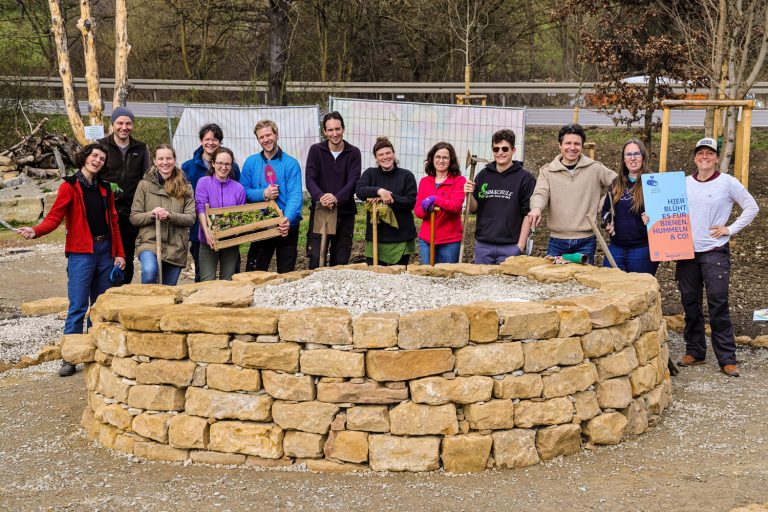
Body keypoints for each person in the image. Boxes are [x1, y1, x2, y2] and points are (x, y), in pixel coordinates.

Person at [17, 144, 125, 377]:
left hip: (105, 251)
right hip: (80, 253)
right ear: (85, 157)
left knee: (99, 306)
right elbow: (55, 217)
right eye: (94, 156)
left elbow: (114, 223)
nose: (97, 160)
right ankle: (70, 356)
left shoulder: (106, 188)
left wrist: (120, 254)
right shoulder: (69, 186)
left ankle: (96, 350)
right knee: (77, 306)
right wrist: (36, 231)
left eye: (102, 158)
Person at [676, 137, 758, 378]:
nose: (704, 157)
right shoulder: (683, 183)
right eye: (700, 152)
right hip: (686, 252)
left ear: (716, 158)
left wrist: (729, 229)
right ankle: (695, 352)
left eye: (709, 153)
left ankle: (727, 358)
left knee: (718, 302)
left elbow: (752, 207)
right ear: (694, 157)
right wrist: (651, 218)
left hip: (714, 251)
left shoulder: (727, 183)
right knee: (690, 302)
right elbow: (665, 210)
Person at [527, 123, 616, 264]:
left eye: (577, 144)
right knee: (554, 283)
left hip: (586, 241)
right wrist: (536, 208)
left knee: (582, 284)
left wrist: (604, 203)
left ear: (582, 146)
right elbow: (540, 193)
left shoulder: (595, 168)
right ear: (560, 145)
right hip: (557, 241)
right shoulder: (547, 171)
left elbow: (620, 185)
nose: (572, 148)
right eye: (568, 143)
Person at [463, 129, 535, 264]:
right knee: (481, 284)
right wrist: (468, 195)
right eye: (496, 149)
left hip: (511, 247)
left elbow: (527, 214)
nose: (500, 152)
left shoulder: (525, 178)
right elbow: (474, 208)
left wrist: (520, 246)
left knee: (507, 285)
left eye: (505, 149)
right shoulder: (483, 175)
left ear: (513, 150)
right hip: (483, 246)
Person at [97, 106, 151, 284]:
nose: (124, 127)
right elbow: (93, 174)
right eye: (120, 123)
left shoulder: (141, 148)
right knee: (105, 253)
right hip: (105, 209)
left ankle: (123, 289)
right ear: (112, 124)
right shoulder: (101, 145)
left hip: (131, 210)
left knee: (126, 253)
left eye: (128, 123)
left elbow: (146, 179)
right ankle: (103, 290)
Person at [240, 120, 303, 273]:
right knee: (255, 271)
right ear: (258, 139)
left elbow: (295, 194)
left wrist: (287, 218)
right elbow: (242, 191)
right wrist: (263, 193)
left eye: (269, 135)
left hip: (286, 225)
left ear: (276, 135)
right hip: (262, 223)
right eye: (261, 137)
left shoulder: (291, 163)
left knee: (286, 272)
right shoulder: (251, 163)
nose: (266, 139)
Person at [181, 123, 240, 282]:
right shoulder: (191, 169)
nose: (210, 143)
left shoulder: (236, 181)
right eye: (207, 139)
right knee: (204, 277)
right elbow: (198, 204)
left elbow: (239, 209)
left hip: (229, 236)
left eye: (215, 139)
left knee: (231, 277)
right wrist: (206, 230)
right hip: (201, 232)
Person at [130, 144, 195, 285]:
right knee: (149, 272)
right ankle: (146, 304)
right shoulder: (144, 185)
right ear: (154, 161)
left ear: (174, 160)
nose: (165, 162)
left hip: (175, 246)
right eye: (160, 159)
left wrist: (170, 215)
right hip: (150, 242)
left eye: (168, 158)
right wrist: (151, 214)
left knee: (168, 290)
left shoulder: (186, 187)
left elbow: (191, 218)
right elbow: (134, 217)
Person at [305, 111, 362, 269]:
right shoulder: (316, 151)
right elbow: (310, 178)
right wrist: (321, 196)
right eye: (330, 130)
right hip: (320, 210)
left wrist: (336, 198)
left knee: (340, 258)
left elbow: (354, 180)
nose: (335, 133)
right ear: (324, 131)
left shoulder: (353, 153)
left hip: (345, 211)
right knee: (316, 257)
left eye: (338, 129)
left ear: (343, 129)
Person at [355, 137, 417, 266]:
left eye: (388, 153)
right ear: (376, 158)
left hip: (401, 237)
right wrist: (380, 191)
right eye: (380, 154)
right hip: (376, 237)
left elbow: (410, 202)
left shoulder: (406, 176)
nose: (385, 157)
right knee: (376, 280)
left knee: (399, 279)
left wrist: (390, 197)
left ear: (393, 154)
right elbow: (360, 191)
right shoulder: (370, 174)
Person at [601, 138, 658, 275]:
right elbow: (605, 210)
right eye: (628, 154)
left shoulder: (654, 181)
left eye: (636, 154)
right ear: (624, 159)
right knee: (612, 289)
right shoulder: (616, 183)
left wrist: (653, 217)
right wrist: (607, 222)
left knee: (638, 291)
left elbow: (666, 213)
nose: (633, 158)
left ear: (643, 157)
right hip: (616, 247)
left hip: (642, 249)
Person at [195, 147, 246, 281]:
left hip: (230, 241)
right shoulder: (203, 183)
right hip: (208, 240)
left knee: (227, 280)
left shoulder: (238, 188)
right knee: (207, 280)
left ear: (231, 165)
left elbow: (240, 215)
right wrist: (207, 232)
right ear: (213, 163)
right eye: (220, 163)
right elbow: (200, 207)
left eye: (227, 164)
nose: (223, 167)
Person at [414, 142, 467, 264]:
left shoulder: (459, 181)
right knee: (427, 277)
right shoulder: (425, 182)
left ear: (451, 160)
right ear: (432, 159)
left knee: (446, 278)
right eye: (438, 157)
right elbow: (417, 211)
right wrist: (425, 210)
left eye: (445, 157)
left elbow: (456, 206)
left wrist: (436, 199)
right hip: (426, 240)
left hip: (450, 241)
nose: (441, 160)